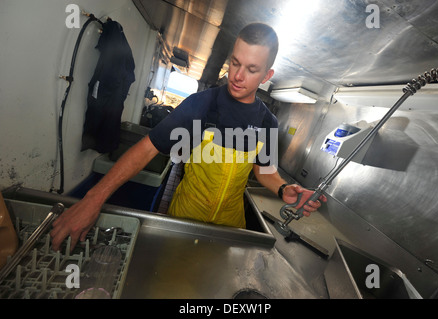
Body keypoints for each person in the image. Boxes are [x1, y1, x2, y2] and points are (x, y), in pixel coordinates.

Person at [51, 23, 326, 252]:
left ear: (267, 75)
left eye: (251, 69)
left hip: (231, 227)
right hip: (185, 218)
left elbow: (264, 171)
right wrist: (93, 198)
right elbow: (147, 148)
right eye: (235, 63)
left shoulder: (268, 122)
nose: (238, 76)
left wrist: (282, 188)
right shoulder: (202, 105)